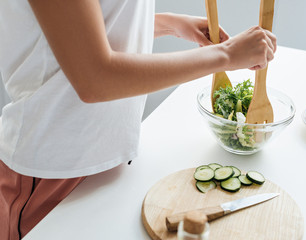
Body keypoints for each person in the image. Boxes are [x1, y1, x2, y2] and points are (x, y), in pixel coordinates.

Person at [0, 0, 276, 239]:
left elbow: (89, 25)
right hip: (51, 170)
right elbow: (95, 79)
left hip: (109, 157)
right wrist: (225, 56)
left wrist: (169, 24)